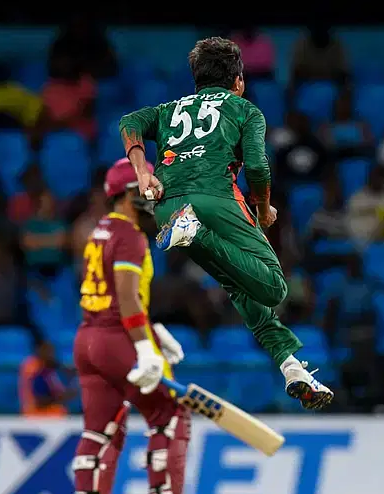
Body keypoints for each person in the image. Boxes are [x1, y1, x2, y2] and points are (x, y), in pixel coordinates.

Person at [118, 37, 333, 410]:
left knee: (239, 283)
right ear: (238, 79)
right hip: (214, 200)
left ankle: (290, 365)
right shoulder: (244, 109)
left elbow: (129, 121)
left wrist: (142, 171)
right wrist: (263, 209)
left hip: (169, 211)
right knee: (273, 288)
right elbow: (257, 167)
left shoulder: (169, 110)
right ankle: (196, 231)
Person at [71, 158, 197, 494]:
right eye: (146, 188)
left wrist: (153, 329)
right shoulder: (130, 236)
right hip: (116, 339)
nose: (153, 194)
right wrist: (144, 348)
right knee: (171, 414)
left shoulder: (100, 231)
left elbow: (112, 295)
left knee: (99, 428)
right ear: (129, 194)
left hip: (87, 338)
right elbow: (125, 298)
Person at [19, 339, 74, 418]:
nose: (52, 354)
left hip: (48, 416)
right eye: (49, 351)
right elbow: (40, 400)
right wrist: (63, 397)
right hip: (39, 417)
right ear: (39, 351)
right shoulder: (36, 370)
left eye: (53, 351)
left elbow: (56, 364)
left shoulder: (45, 367)